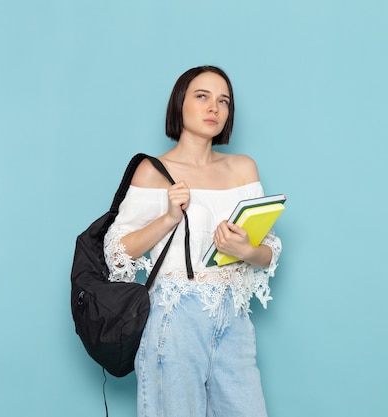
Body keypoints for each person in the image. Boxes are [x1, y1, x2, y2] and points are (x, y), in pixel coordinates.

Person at [103, 65, 282, 417]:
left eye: (223, 101)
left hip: (233, 318)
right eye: (202, 96)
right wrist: (168, 218)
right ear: (180, 103)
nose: (214, 107)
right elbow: (116, 253)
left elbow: (268, 252)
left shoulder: (243, 168)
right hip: (175, 320)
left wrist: (244, 249)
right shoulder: (153, 171)